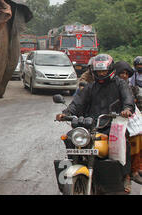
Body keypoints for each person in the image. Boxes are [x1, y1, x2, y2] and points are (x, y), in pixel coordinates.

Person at [55, 54, 135, 193]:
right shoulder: (90, 87)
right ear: (93, 71)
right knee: (69, 137)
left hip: (112, 124)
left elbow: (128, 98)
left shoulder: (120, 84)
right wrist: (66, 113)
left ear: (110, 69)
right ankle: (76, 163)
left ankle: (125, 176)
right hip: (90, 125)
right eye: (98, 71)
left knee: (124, 143)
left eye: (104, 70)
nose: (101, 73)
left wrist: (127, 109)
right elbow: (77, 104)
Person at [115, 61, 142, 185]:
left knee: (137, 136)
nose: (124, 76)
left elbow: (134, 103)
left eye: (126, 73)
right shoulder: (108, 86)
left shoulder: (132, 88)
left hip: (128, 118)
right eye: (121, 73)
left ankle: (133, 171)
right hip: (109, 119)